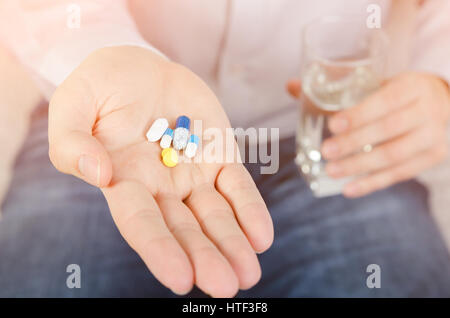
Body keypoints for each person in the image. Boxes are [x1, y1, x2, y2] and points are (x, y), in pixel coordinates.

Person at [1, 0, 450, 297]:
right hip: (116, 123)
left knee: (395, 278)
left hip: (325, 130)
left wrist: (441, 80)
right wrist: (99, 50)